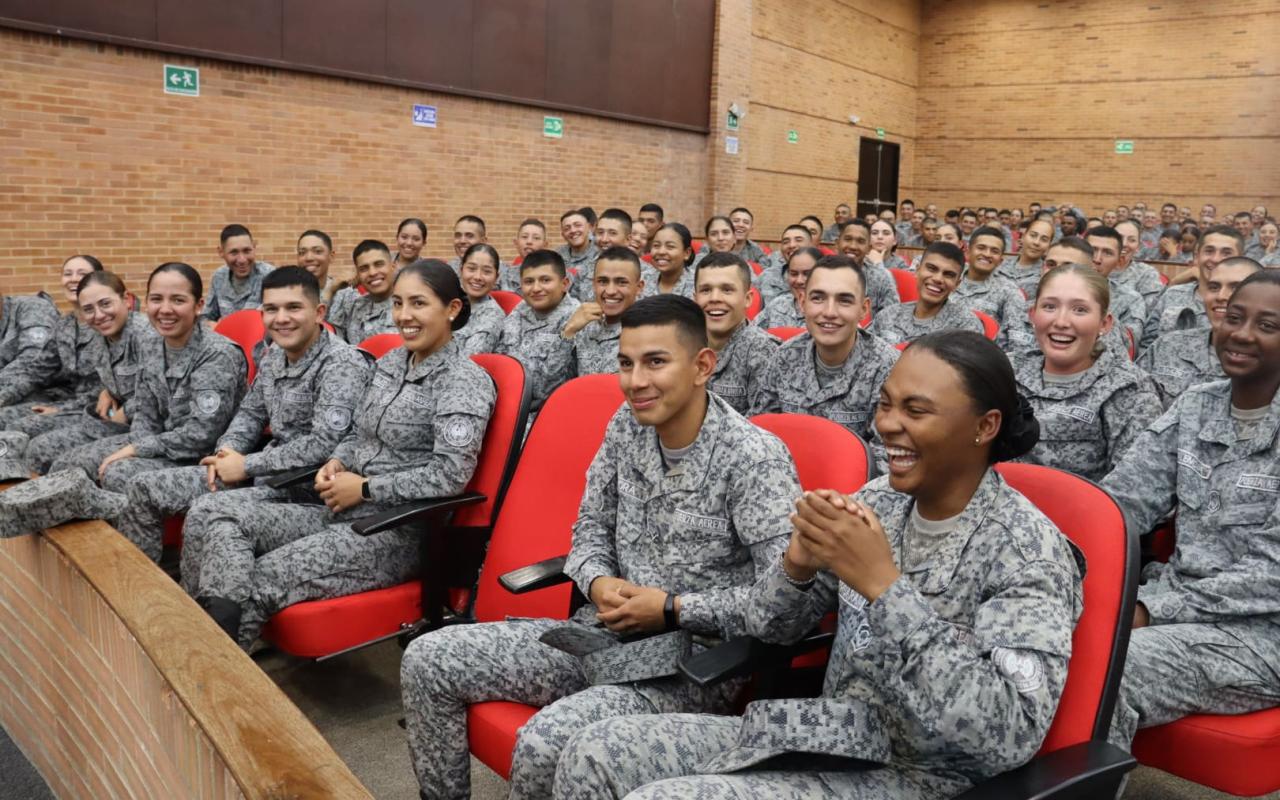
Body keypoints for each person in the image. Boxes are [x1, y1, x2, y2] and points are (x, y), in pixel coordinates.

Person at [553, 331, 1083, 800]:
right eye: (884, 405)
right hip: (828, 736)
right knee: (593, 751)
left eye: (915, 412)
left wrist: (885, 588)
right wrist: (797, 567)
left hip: (922, 776)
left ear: (984, 426)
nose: (888, 426)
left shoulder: (1028, 552)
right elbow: (770, 628)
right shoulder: (880, 503)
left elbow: (1008, 734)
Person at [400, 294, 802, 800]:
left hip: (686, 669)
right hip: (599, 636)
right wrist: (597, 579)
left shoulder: (753, 459)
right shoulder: (625, 425)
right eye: (626, 362)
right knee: (428, 657)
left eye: (656, 362)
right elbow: (588, 530)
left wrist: (674, 609)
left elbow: (787, 607)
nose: (636, 381)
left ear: (703, 366)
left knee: (545, 743)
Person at [181, 260, 494, 645]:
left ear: (452, 309)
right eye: (397, 304)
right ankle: (197, 639)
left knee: (260, 577)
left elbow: (449, 476)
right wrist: (339, 460)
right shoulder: (393, 361)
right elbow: (358, 432)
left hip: (395, 529)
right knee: (220, 519)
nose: (404, 316)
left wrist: (365, 487)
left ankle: (215, 679)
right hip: (339, 508)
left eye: (418, 304)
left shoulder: (463, 381)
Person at [1105, 269, 1280, 755]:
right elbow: (1124, 501)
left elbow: (1271, 575)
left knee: (1109, 665)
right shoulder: (1198, 404)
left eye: (1268, 325)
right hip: (1177, 604)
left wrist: (1149, 610)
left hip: (1263, 634)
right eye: (1234, 317)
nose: (1241, 333)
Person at [112, 267, 371, 561]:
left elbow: (324, 444)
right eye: (271, 309)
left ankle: (193, 603)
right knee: (143, 488)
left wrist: (246, 465)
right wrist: (227, 452)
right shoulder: (274, 355)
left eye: (293, 307)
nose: (281, 318)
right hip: (259, 472)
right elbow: (250, 413)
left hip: (302, 489)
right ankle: (144, 584)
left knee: (206, 513)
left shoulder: (341, 363)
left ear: (319, 312)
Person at [42, 263, 247, 494]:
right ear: (146, 302)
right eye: (156, 299)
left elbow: (202, 435)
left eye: (178, 300)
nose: (165, 309)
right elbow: (145, 413)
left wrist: (137, 449)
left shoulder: (216, 353)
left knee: (117, 473)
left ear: (198, 306)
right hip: (162, 444)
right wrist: (137, 444)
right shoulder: (152, 344)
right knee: (67, 465)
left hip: (203, 457)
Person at [1013, 264, 1160, 482]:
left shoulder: (1129, 390)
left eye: (1080, 310)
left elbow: (1135, 488)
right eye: (1049, 307)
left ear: (1104, 323)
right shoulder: (1006, 369)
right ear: (1033, 315)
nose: (1061, 322)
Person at [23, 272, 158, 473]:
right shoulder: (97, 338)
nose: (99, 315)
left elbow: (160, 390)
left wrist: (127, 410)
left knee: (65, 465)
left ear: (126, 300)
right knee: (39, 449)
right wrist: (107, 390)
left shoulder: (147, 334)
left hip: (149, 430)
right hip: (111, 424)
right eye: (88, 309)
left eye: (105, 304)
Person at [753, 256, 898, 441]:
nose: (829, 312)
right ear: (803, 303)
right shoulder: (784, 356)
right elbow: (760, 429)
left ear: (864, 309)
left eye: (844, 300)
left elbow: (886, 452)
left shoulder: (888, 367)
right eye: (818, 298)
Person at [1138, 257, 1261, 408]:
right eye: (1214, 287)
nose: (1221, 296)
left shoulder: (1269, 360)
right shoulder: (1169, 345)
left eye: (1236, 288)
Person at [0, 256, 94, 429]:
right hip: (62, 398)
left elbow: (31, 360)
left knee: (18, 429)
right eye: (67, 274)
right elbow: (37, 370)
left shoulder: (106, 324)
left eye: (82, 273)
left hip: (86, 406)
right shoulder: (64, 326)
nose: (73, 278)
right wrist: (4, 396)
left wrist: (62, 408)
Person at [694, 252, 780, 413]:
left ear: (747, 299)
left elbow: (760, 426)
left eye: (727, 290)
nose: (714, 298)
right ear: (695, 298)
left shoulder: (764, 352)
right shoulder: (683, 345)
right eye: (705, 290)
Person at [496, 250, 579, 413]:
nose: (536, 288)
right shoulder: (521, 310)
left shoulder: (576, 319)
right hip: (508, 405)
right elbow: (502, 358)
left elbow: (545, 390)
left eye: (545, 280)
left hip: (548, 414)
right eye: (529, 281)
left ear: (565, 283)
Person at [1140, 225, 1244, 353]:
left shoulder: (1247, 301)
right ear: (1197, 256)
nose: (1216, 259)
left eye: (1226, 253)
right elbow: (1147, 345)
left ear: (1241, 259)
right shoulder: (1173, 294)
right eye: (1209, 251)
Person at [871, 242, 984, 346]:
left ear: (957, 284)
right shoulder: (887, 316)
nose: (938, 278)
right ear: (917, 270)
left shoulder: (966, 327)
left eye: (948, 274)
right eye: (932, 269)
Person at [561, 247, 644, 375]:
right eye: (603, 281)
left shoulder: (649, 332)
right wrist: (568, 332)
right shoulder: (583, 325)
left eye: (621, 282)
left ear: (639, 288)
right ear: (593, 284)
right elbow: (555, 384)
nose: (610, 291)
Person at [953, 227, 1033, 352]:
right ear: (968, 252)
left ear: (1000, 260)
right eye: (981, 248)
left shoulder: (1009, 291)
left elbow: (1020, 342)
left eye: (994, 251)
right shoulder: (949, 277)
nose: (987, 254)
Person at [1085, 226, 1148, 346]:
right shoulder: (1056, 289)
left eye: (1107, 253)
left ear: (1119, 261)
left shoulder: (1130, 299)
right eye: (1092, 250)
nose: (1097, 259)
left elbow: (1128, 345)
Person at [203, 224, 274, 322]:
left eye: (247, 251)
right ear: (221, 252)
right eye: (234, 252)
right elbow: (207, 316)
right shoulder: (219, 277)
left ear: (254, 247)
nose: (242, 260)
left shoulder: (270, 275)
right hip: (225, 337)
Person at [336, 240, 399, 345]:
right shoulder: (353, 306)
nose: (372, 273)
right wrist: (334, 289)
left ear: (393, 266)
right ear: (357, 274)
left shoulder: (409, 306)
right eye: (364, 269)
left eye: (379, 264)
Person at [835, 219, 900, 316]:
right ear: (837, 243)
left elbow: (892, 319)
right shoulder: (821, 273)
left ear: (869, 248)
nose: (853, 246)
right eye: (848, 239)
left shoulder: (881, 277)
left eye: (860, 241)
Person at [454, 243, 508, 356]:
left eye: (487, 271)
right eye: (471, 269)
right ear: (461, 270)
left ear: (496, 278)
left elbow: (471, 357)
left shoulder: (493, 315)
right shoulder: (448, 303)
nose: (478, 277)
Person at [572, 209, 633, 303]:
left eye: (612, 233)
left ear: (628, 239)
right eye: (600, 232)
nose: (604, 239)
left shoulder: (645, 273)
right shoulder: (583, 269)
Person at [755, 246, 820, 330]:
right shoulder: (779, 303)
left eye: (807, 274)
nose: (799, 281)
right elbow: (749, 334)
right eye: (794, 274)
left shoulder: (828, 311)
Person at [1113, 219, 1167, 307]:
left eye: (1132, 240)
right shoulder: (1095, 268)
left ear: (1138, 247)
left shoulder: (1146, 273)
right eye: (1119, 238)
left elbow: (1152, 310)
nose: (1124, 243)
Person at [754, 224, 813, 305]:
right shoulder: (767, 276)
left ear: (811, 245)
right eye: (786, 242)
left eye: (798, 240)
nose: (791, 245)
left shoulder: (822, 277)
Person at [999, 215, 1054, 295]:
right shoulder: (1002, 265)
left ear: (1049, 245)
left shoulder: (1046, 275)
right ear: (1024, 236)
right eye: (1033, 235)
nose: (1036, 242)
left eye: (1044, 239)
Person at [640, 223, 697, 299]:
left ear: (687, 253)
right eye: (656, 245)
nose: (661, 252)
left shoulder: (698, 283)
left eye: (670, 246)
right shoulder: (642, 280)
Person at [557, 209, 599, 285]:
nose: (572, 230)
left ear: (589, 227)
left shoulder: (601, 254)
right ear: (563, 235)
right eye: (567, 228)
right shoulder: (557, 257)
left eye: (578, 225)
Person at [505, 218, 548, 291]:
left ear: (545, 245)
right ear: (516, 243)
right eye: (524, 237)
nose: (529, 241)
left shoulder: (557, 274)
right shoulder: (505, 275)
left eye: (536, 238)